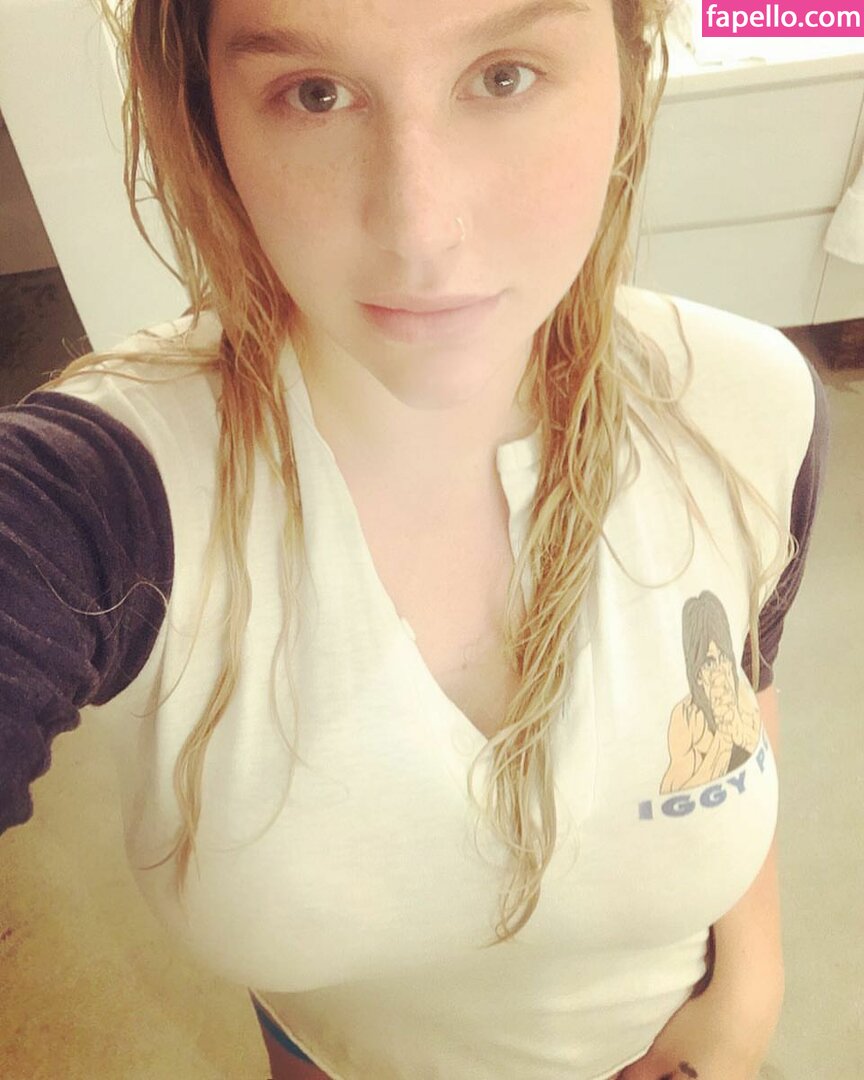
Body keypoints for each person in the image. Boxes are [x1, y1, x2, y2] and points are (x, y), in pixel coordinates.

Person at [0, 0, 828, 1077]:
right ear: (209, 117)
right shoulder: (101, 495)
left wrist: (751, 987)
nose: (420, 231)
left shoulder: (750, 407)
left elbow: (737, 688)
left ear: (629, 62)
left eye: (504, 75)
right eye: (315, 94)